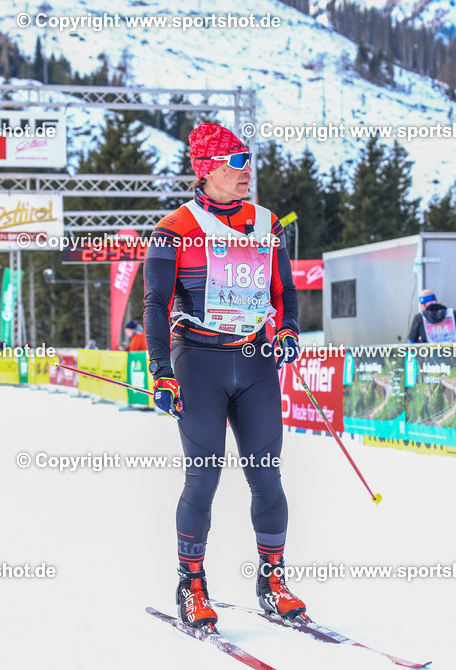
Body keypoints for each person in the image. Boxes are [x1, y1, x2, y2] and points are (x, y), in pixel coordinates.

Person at [143, 122, 304, 630]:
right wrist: (162, 373)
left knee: (267, 475)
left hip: (255, 360)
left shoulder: (266, 222)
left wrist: (289, 329)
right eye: (236, 164)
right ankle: (191, 584)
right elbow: (155, 304)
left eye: (248, 161)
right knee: (204, 475)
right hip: (199, 361)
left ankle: (273, 579)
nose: (246, 172)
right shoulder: (175, 228)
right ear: (208, 169)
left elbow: (285, 291)